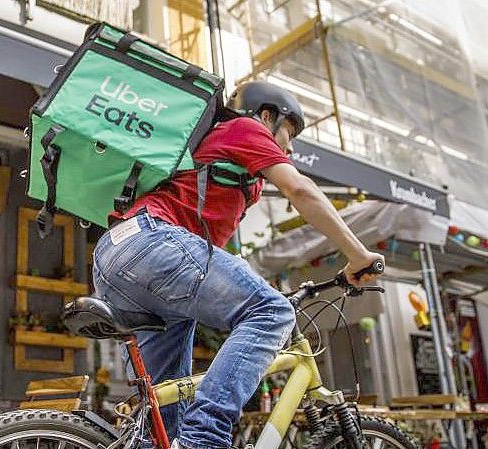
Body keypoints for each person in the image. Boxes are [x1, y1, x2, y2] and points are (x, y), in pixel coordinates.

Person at [90, 81, 385, 449]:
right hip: (151, 244)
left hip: (118, 255)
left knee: (164, 426)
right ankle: (206, 438)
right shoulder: (245, 129)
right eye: (289, 132)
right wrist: (358, 255)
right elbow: (301, 191)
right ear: (266, 116)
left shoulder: (225, 161)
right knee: (272, 311)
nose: (290, 147)